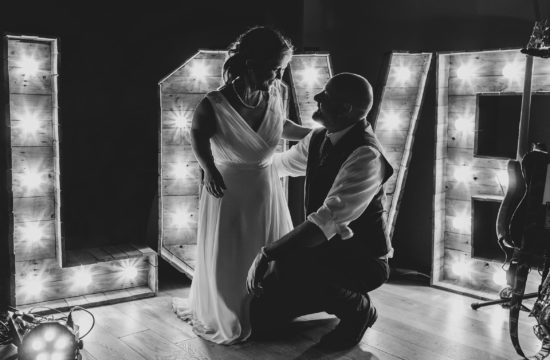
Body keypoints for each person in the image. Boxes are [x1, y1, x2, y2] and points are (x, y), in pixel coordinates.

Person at [172, 26, 310, 345]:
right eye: (274, 68)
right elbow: (197, 134)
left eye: (281, 69)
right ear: (251, 63)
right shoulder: (215, 102)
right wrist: (209, 169)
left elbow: (280, 126)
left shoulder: (278, 94)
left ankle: (267, 309)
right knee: (232, 248)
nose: (278, 76)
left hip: (264, 184)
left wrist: (313, 135)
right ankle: (231, 309)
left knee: (267, 244)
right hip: (229, 187)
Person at [246, 72, 394, 350]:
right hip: (326, 253)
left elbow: (323, 222)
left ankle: (358, 308)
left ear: (345, 109)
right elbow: (280, 164)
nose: (316, 98)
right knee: (260, 320)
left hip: (363, 260)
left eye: (325, 95)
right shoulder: (319, 138)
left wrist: (268, 253)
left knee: (293, 262)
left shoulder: (366, 156)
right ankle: (321, 295)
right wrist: (237, 167)